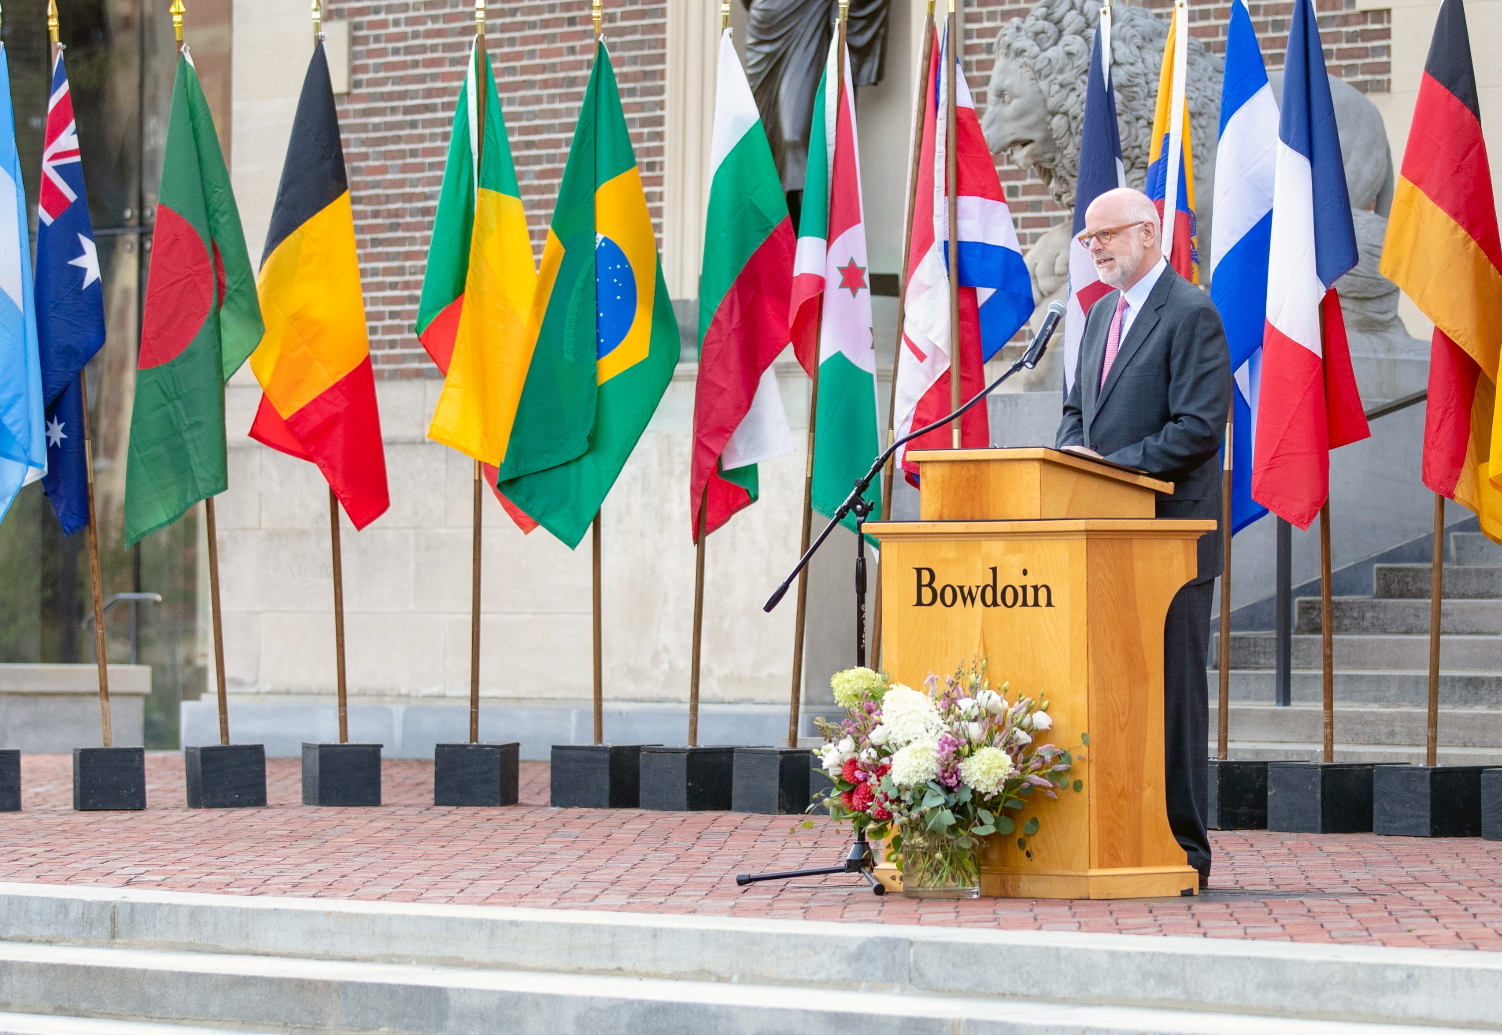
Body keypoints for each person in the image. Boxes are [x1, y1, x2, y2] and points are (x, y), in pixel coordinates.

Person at [1056, 186, 1231, 887]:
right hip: (1103, 543)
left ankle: (1185, 848)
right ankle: (1119, 835)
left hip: (1170, 543)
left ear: (1149, 233)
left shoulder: (1191, 313)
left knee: (1173, 698)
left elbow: (1197, 427)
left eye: (1105, 235)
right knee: (1113, 693)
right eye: (1088, 239)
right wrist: (1074, 461)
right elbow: (1075, 413)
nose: (1093, 247)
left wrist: (1111, 468)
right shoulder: (1098, 316)